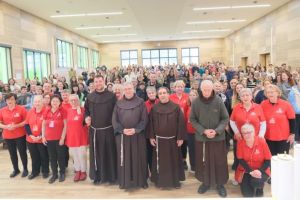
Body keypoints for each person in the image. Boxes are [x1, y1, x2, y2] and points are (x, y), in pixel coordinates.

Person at [190, 80, 229, 197]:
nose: (206, 92)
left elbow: (225, 118)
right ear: (201, 89)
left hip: (218, 138)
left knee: (220, 161)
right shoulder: (196, 102)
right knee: (203, 162)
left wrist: (216, 131)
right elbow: (193, 120)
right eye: (204, 90)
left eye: (208, 89)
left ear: (212, 89)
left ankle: (220, 184)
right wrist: (203, 131)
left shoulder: (218, 101)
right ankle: (205, 183)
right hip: (202, 138)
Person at [147, 87, 186, 188]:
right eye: (160, 93)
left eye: (164, 93)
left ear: (168, 94)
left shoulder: (176, 107)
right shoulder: (154, 108)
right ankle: (159, 181)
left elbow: (181, 123)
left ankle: (175, 181)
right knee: (160, 161)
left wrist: (180, 137)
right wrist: (151, 137)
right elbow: (150, 123)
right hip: (159, 141)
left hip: (173, 140)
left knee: (174, 160)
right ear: (158, 96)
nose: (162, 95)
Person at [112, 82, 148, 189]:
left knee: (139, 157)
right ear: (123, 90)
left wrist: (136, 129)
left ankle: (142, 181)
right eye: (126, 89)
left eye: (130, 88)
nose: (128, 90)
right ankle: (124, 181)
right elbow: (114, 120)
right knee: (124, 158)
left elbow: (144, 118)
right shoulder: (118, 103)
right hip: (123, 136)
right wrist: (122, 130)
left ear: (134, 89)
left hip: (137, 135)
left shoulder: (140, 102)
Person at [84, 75, 117, 185]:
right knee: (96, 154)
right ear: (94, 83)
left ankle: (111, 176)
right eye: (96, 81)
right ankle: (97, 176)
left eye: (100, 81)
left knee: (110, 153)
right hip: (95, 131)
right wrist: (87, 117)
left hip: (109, 130)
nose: (98, 83)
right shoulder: (90, 97)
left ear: (104, 82)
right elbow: (86, 110)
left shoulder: (111, 96)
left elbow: (116, 112)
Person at [230, 88, 266, 173]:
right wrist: (237, 132)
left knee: (254, 157)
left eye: (247, 95)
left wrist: (261, 135)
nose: (245, 97)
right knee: (239, 157)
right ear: (240, 97)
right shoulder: (237, 107)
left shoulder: (258, 107)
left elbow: (263, 123)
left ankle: (254, 174)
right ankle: (239, 176)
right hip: (240, 138)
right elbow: (232, 121)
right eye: (243, 96)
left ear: (251, 96)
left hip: (255, 138)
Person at [235, 123, 271, 197]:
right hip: (246, 169)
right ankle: (251, 184)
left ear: (254, 132)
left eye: (249, 132)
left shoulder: (261, 141)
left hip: (261, 170)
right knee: (247, 195)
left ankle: (259, 189)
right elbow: (241, 160)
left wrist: (259, 171)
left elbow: (268, 160)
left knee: (257, 182)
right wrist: (251, 171)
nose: (247, 135)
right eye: (244, 133)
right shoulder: (240, 143)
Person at [261, 84, 296, 155]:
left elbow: (292, 120)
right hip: (268, 137)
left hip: (283, 137)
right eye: (268, 92)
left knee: (282, 159)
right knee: (271, 159)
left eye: (272, 92)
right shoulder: (263, 104)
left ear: (277, 92)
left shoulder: (286, 104)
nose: (270, 94)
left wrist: (292, 134)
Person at [0, 93, 28, 178]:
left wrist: (16, 125)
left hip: (20, 135)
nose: (10, 101)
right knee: (12, 154)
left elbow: (26, 121)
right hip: (8, 136)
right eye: (8, 100)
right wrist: (6, 127)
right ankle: (16, 169)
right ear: (5, 101)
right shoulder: (2, 110)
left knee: (22, 153)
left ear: (15, 100)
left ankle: (25, 169)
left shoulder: (21, 109)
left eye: (12, 99)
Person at [42, 94, 67, 184]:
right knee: (52, 158)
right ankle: (54, 174)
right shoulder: (47, 110)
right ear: (50, 102)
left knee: (60, 157)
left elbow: (65, 125)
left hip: (59, 138)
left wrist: (62, 138)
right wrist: (43, 136)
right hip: (49, 138)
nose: (55, 102)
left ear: (60, 102)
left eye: (57, 101)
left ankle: (62, 173)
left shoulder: (62, 110)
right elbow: (43, 124)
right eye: (53, 101)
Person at [25, 95, 49, 179]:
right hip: (31, 139)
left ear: (42, 102)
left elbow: (47, 126)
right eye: (35, 102)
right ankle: (35, 171)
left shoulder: (47, 111)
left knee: (44, 156)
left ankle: (45, 171)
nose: (37, 103)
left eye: (39, 101)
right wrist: (31, 135)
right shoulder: (30, 111)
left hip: (42, 139)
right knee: (34, 156)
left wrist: (40, 136)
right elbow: (26, 125)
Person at [66, 94, 88, 182]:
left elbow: (86, 123)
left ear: (78, 100)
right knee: (74, 155)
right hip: (71, 136)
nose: (73, 102)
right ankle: (77, 171)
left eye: (75, 100)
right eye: (71, 100)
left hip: (81, 136)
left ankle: (83, 171)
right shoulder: (68, 110)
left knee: (82, 155)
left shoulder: (84, 110)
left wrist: (81, 113)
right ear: (69, 101)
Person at [169, 80, 189, 170]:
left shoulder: (187, 97)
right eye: (178, 87)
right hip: (173, 124)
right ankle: (175, 160)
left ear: (184, 87)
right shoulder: (170, 97)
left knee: (184, 143)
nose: (179, 88)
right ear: (174, 88)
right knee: (175, 142)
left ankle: (183, 160)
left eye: (181, 86)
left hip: (184, 124)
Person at [144, 86, 159, 173]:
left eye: (153, 92)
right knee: (150, 153)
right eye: (149, 93)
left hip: (160, 132)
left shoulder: (160, 102)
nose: (151, 94)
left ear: (155, 93)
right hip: (149, 133)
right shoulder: (144, 104)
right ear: (147, 94)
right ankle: (152, 172)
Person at [186, 89, 198, 172]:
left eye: (194, 95)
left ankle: (198, 166)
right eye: (190, 95)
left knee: (198, 150)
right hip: (189, 132)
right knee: (191, 150)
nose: (192, 97)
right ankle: (193, 166)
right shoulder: (188, 106)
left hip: (197, 132)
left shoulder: (199, 106)